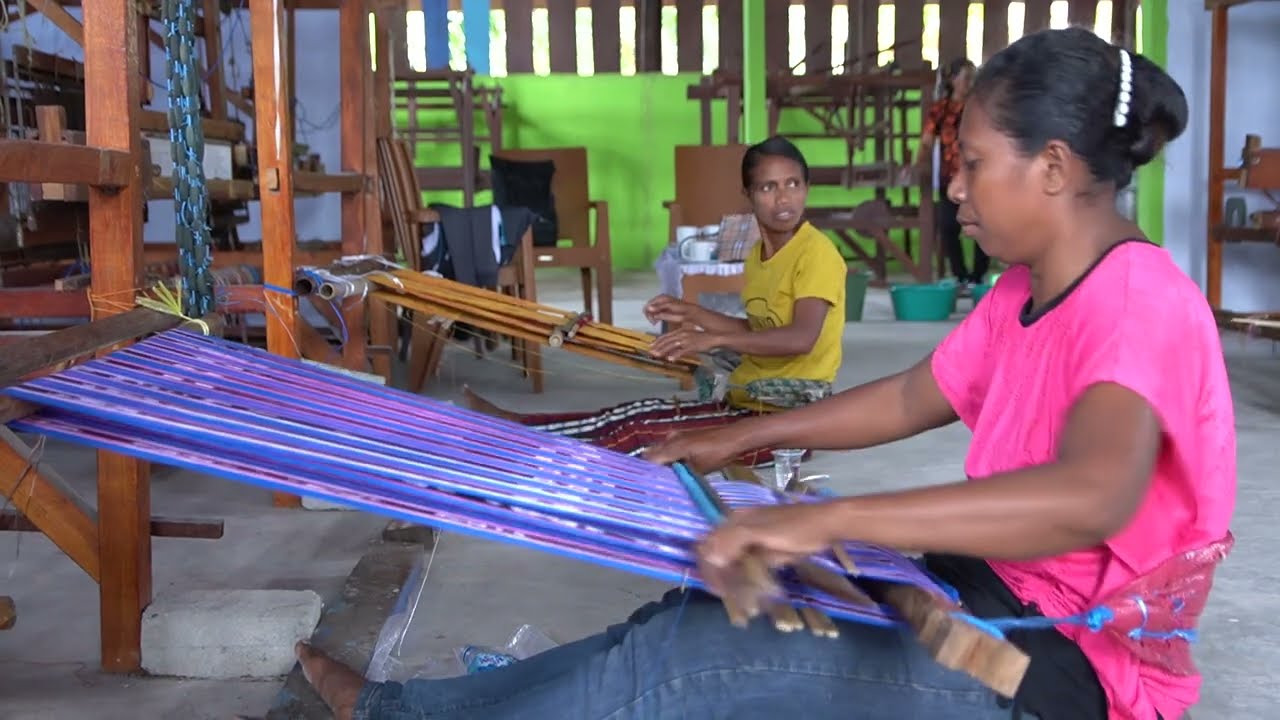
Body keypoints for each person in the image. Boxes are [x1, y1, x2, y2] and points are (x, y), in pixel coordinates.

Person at [293, 28, 1231, 720]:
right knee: (700, 606)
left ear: (1056, 168)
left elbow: (1091, 495)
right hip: (989, 601)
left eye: (974, 165)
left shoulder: (1137, 301)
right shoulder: (1025, 291)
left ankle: (390, 719)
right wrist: (740, 434)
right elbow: (916, 395)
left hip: (1052, 671)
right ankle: (435, 709)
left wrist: (825, 516)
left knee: (696, 665)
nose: (954, 189)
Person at [465, 135, 848, 467]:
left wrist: (713, 339)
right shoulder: (759, 255)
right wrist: (693, 313)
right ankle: (516, 430)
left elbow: (800, 338)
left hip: (785, 425)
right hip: (749, 402)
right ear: (748, 195)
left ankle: (517, 455)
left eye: (793, 184)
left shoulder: (816, 254)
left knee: (638, 434)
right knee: (629, 414)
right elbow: (760, 331)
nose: (783, 197)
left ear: (807, 188)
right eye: (768, 187)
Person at [906, 57, 992, 291]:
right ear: (953, 80)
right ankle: (961, 276)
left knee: (983, 225)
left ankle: (978, 276)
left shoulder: (981, 108)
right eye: (966, 78)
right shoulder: (940, 109)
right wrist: (917, 166)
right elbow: (926, 142)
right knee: (948, 226)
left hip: (980, 177)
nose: (970, 83)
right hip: (950, 179)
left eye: (973, 78)